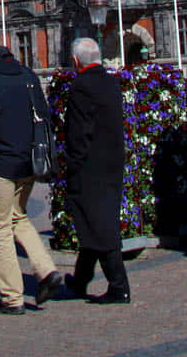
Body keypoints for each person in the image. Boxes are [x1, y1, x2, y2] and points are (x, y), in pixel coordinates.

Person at [0, 30, 65, 315]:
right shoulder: (28, 77)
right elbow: (44, 116)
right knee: (18, 217)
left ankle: (11, 297)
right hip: (28, 163)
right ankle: (46, 270)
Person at [64, 37, 130, 304]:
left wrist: (73, 164)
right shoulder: (110, 81)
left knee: (99, 225)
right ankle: (80, 280)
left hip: (91, 165)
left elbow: (79, 132)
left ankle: (118, 286)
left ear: (77, 60)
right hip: (112, 160)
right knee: (93, 222)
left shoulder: (81, 86)